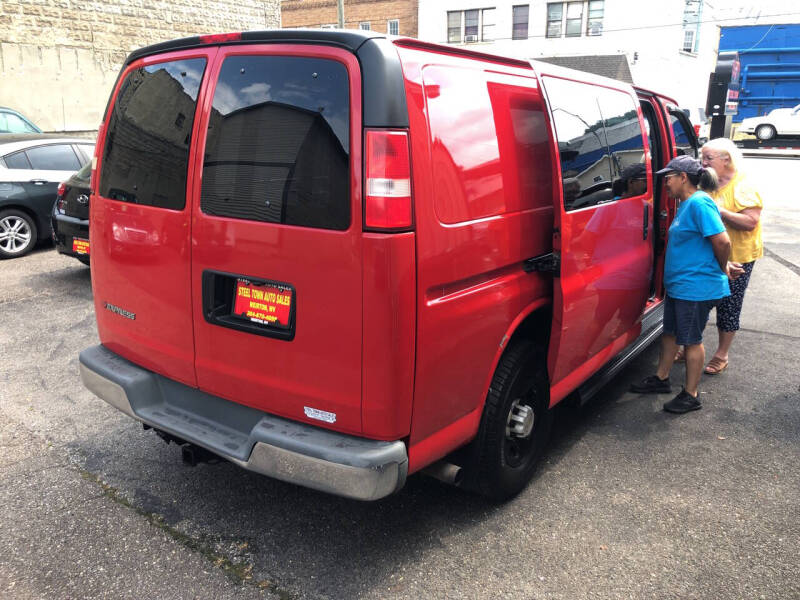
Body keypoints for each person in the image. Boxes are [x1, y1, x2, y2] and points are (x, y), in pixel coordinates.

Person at [629, 156, 742, 414]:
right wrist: (723, 265)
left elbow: (722, 241)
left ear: (683, 177)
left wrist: (721, 268)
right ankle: (661, 378)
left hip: (695, 288)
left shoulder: (700, 203)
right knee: (670, 333)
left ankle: (691, 394)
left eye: (668, 178)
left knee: (691, 340)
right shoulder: (685, 204)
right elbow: (701, 245)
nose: (665, 183)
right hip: (680, 286)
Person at [697, 137, 763, 374]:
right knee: (699, 302)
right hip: (708, 253)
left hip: (737, 256)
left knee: (729, 305)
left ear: (727, 160)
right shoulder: (706, 180)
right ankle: (691, 346)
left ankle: (721, 355)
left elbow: (750, 222)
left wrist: (718, 210)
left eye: (708, 158)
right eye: (702, 157)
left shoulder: (743, 185)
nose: (703, 162)